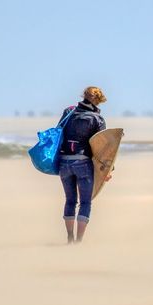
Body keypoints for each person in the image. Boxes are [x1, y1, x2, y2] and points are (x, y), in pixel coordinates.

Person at [58, 86, 108, 244]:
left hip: (64, 162)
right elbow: (102, 148)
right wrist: (107, 168)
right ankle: (79, 241)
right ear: (99, 101)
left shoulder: (68, 112)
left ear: (83, 96)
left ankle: (69, 237)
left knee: (70, 200)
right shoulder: (98, 119)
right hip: (83, 164)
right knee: (85, 202)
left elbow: (59, 132)